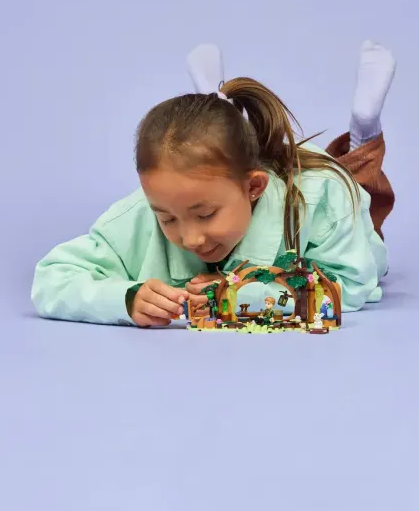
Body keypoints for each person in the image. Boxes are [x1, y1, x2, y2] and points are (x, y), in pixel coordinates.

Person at [31, 40, 396, 328]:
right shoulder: (147, 209)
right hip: (233, 173)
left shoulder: (322, 198)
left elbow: (351, 285)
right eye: (167, 219)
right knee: (217, 160)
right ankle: (220, 109)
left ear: (253, 188)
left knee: (363, 189)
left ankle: (365, 136)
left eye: (205, 215)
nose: (190, 239)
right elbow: (51, 279)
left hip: (331, 191)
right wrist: (124, 299)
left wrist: (240, 297)